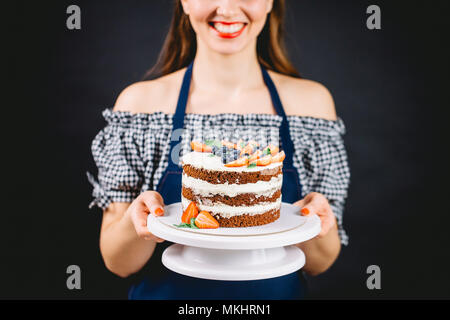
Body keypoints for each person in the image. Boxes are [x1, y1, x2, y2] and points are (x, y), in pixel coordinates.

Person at [87, 0, 350, 299]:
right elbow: (117, 263)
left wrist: (315, 220)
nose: (226, 8)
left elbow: (321, 262)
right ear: (184, 2)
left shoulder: (312, 105)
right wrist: (142, 219)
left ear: (269, 3)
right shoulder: (139, 106)